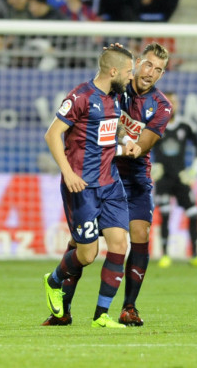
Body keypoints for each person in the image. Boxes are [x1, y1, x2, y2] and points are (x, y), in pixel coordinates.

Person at [42, 45, 141, 328]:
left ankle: (101, 315)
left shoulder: (117, 96)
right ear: (113, 72)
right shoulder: (80, 97)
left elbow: (115, 126)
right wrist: (68, 173)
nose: (130, 76)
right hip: (81, 186)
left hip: (110, 184)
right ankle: (53, 281)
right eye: (128, 71)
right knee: (87, 254)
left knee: (120, 243)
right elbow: (52, 135)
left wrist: (125, 141)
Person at [116, 42, 173, 326]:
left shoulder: (162, 105)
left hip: (136, 174)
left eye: (159, 69)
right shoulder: (116, 86)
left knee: (140, 232)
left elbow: (145, 143)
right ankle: (61, 297)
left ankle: (129, 307)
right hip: (105, 171)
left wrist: (133, 145)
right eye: (149, 65)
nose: (151, 72)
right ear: (138, 62)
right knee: (84, 243)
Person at [151, 91, 197, 269]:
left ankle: (195, 255)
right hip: (163, 179)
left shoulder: (186, 125)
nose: (172, 105)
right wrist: (151, 166)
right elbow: (143, 147)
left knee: (193, 212)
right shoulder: (155, 125)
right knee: (164, 214)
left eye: (175, 102)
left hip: (181, 178)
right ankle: (164, 255)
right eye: (169, 102)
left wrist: (194, 171)